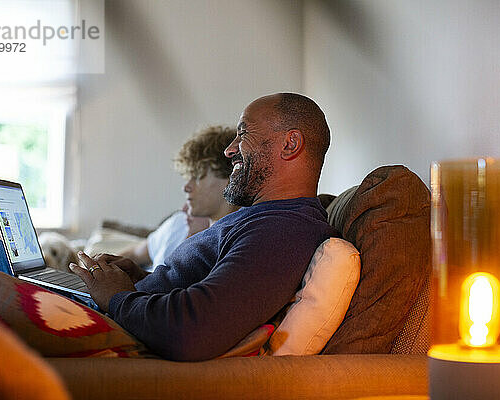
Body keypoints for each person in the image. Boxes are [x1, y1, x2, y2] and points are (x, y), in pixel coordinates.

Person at [70, 93, 338, 361]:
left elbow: (193, 332)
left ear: (290, 144)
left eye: (243, 134)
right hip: (119, 315)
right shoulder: (265, 218)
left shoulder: (283, 232)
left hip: (119, 332)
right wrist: (139, 280)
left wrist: (117, 297)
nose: (230, 150)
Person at [118, 126, 239, 270]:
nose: (186, 187)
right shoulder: (180, 222)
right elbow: (135, 254)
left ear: (231, 177)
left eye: (198, 177)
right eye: (189, 177)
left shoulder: (237, 241)